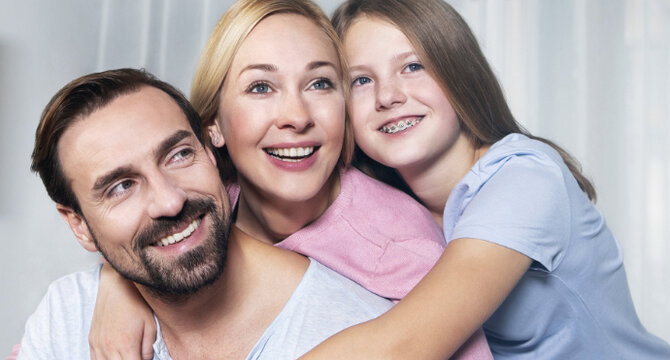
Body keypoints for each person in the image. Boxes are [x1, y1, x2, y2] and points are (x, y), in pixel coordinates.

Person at [82, 0, 492, 359]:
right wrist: (118, 286)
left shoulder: (402, 247)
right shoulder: (205, 198)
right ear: (213, 128)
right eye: (261, 87)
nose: (296, 116)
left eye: (320, 83)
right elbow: (131, 221)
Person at [299, 0, 670, 359]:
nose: (388, 96)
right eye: (361, 80)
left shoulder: (526, 178)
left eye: (412, 67)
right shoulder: (379, 204)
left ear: (459, 73)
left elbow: (405, 346)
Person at [17, 68, 394, 359]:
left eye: (179, 155)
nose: (170, 201)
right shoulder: (67, 316)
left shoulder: (355, 327)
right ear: (78, 226)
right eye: (121, 186)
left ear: (210, 153)